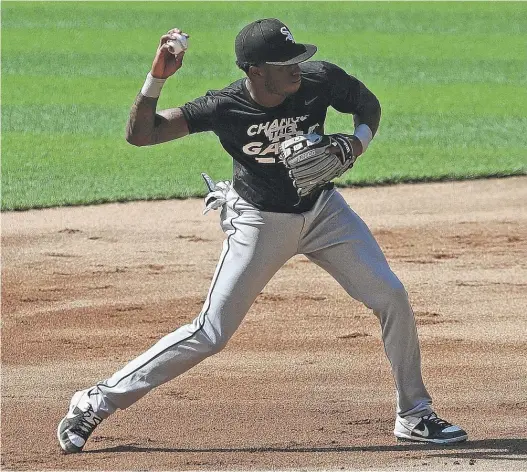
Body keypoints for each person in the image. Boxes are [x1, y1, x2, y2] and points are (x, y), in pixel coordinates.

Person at [57, 19, 467, 454]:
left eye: (297, 59)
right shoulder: (223, 107)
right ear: (255, 70)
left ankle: (415, 415)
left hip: (324, 212)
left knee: (391, 297)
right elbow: (143, 134)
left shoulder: (319, 80)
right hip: (258, 221)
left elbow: (368, 106)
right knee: (210, 333)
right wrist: (157, 78)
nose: (296, 68)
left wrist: (357, 143)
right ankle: (94, 401)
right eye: (284, 63)